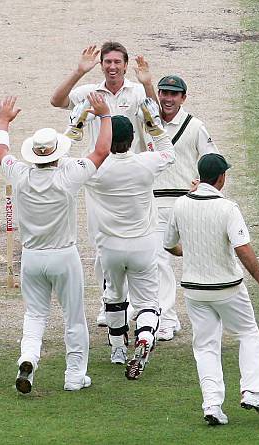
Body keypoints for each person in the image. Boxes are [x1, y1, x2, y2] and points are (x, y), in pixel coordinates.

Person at [0, 93, 112, 393]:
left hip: (32, 258)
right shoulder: (68, 175)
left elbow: (0, 150)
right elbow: (101, 150)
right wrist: (105, 115)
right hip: (63, 256)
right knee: (74, 319)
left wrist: (4, 120)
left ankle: (28, 358)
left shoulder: (20, 175)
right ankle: (74, 377)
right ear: (56, 155)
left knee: (34, 316)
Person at [164, 153, 259, 426]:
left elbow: (170, 245)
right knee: (249, 335)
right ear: (221, 178)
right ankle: (252, 391)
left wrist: (188, 250)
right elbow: (243, 248)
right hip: (227, 289)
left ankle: (212, 405)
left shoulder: (180, 204)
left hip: (194, 291)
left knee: (205, 347)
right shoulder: (228, 208)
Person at [50, 42, 157, 327]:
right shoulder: (89, 93)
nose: (112, 67)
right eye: (107, 62)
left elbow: (156, 116)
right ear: (101, 65)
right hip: (99, 172)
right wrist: (78, 71)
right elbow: (57, 101)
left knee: (137, 237)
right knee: (102, 241)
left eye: (116, 63)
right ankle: (109, 301)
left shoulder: (135, 91)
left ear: (124, 65)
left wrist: (148, 84)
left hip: (132, 169)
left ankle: (138, 303)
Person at [84, 98, 175, 377]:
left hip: (110, 245)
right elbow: (169, 152)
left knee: (114, 296)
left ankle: (117, 349)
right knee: (148, 302)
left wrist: (75, 124)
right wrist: (154, 124)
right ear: (133, 138)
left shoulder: (95, 170)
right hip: (143, 244)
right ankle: (145, 338)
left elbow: (66, 159)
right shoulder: (145, 163)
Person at [152, 75, 220, 341]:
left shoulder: (195, 126)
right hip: (155, 203)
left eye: (174, 94)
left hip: (186, 203)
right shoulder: (149, 124)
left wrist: (202, 185)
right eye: (164, 93)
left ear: (183, 98)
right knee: (158, 261)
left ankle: (212, 316)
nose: (168, 99)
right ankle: (165, 318)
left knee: (198, 260)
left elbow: (215, 161)